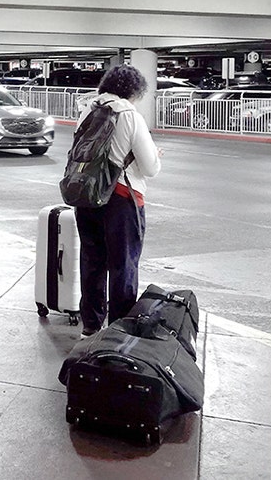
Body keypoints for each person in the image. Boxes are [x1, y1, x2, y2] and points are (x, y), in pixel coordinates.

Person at [73, 64, 162, 339]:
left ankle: (90, 326)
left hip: (86, 195)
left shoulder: (88, 110)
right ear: (134, 91)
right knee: (123, 264)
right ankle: (118, 331)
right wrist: (156, 155)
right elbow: (149, 168)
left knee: (92, 260)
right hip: (121, 198)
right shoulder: (129, 115)